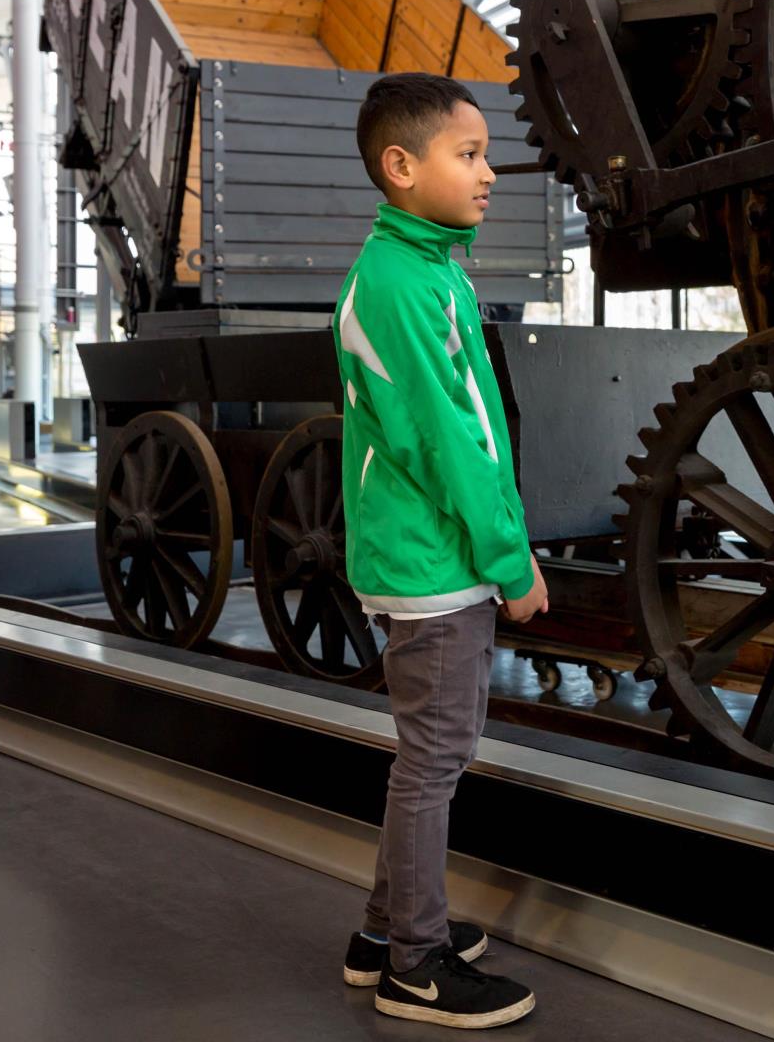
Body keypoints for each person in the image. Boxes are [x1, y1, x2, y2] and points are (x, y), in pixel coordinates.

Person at [333, 72, 550, 1028]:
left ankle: (384, 933)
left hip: (437, 555)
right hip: (434, 566)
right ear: (401, 166)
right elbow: (447, 439)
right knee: (434, 760)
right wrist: (511, 562)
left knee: (431, 755)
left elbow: (472, 427)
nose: (489, 172)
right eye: (469, 154)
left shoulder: (429, 268)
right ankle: (416, 967)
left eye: (486, 154)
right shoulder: (402, 282)